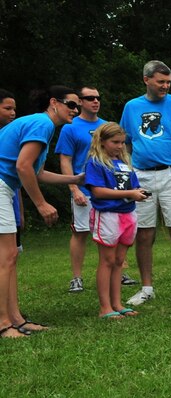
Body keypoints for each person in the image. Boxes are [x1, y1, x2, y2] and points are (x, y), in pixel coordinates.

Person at [0, 86, 84, 338]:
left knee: (10, 256)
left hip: (5, 187)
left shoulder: (39, 125)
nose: (75, 110)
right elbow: (23, 166)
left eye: (77, 106)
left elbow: (37, 172)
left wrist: (74, 178)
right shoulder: (42, 124)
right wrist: (41, 203)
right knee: (6, 258)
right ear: (53, 103)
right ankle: (3, 323)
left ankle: (16, 319)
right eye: (71, 104)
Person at [119, 60, 171, 305]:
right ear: (147, 80)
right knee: (143, 234)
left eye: (168, 82)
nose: (165, 86)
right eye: (161, 81)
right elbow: (125, 142)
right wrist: (128, 173)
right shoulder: (132, 107)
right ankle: (146, 288)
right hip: (141, 174)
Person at [56, 86, 138, 293]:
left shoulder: (108, 127)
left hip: (114, 190)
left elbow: (121, 159)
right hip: (86, 187)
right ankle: (77, 277)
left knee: (116, 231)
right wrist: (74, 188)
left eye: (98, 97)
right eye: (89, 98)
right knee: (81, 231)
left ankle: (119, 272)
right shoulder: (70, 126)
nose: (95, 101)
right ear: (80, 101)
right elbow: (65, 159)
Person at [84, 123, 148, 319]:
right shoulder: (96, 163)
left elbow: (133, 185)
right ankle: (105, 307)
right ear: (102, 142)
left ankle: (117, 303)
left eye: (122, 142)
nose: (120, 146)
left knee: (119, 261)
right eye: (115, 142)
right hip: (108, 215)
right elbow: (97, 191)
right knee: (107, 260)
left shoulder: (124, 163)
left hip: (128, 214)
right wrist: (129, 193)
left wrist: (139, 193)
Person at [0, 89, 24, 254]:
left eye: (14, 109)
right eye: (7, 108)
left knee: (11, 255)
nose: (13, 113)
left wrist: (20, 212)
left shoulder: (13, 136)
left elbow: (16, 177)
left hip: (11, 201)